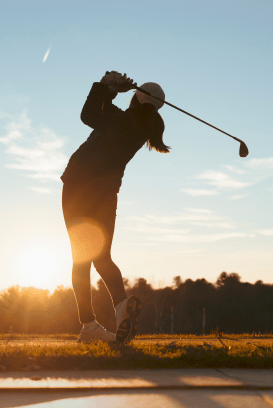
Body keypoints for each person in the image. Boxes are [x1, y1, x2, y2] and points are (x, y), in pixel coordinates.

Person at [61, 71, 169, 343]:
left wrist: (105, 85)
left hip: (79, 189)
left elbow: (89, 115)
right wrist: (111, 91)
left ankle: (89, 326)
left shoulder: (122, 120)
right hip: (107, 195)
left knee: (81, 260)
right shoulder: (137, 124)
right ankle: (122, 309)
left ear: (137, 97)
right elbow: (105, 110)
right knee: (102, 258)